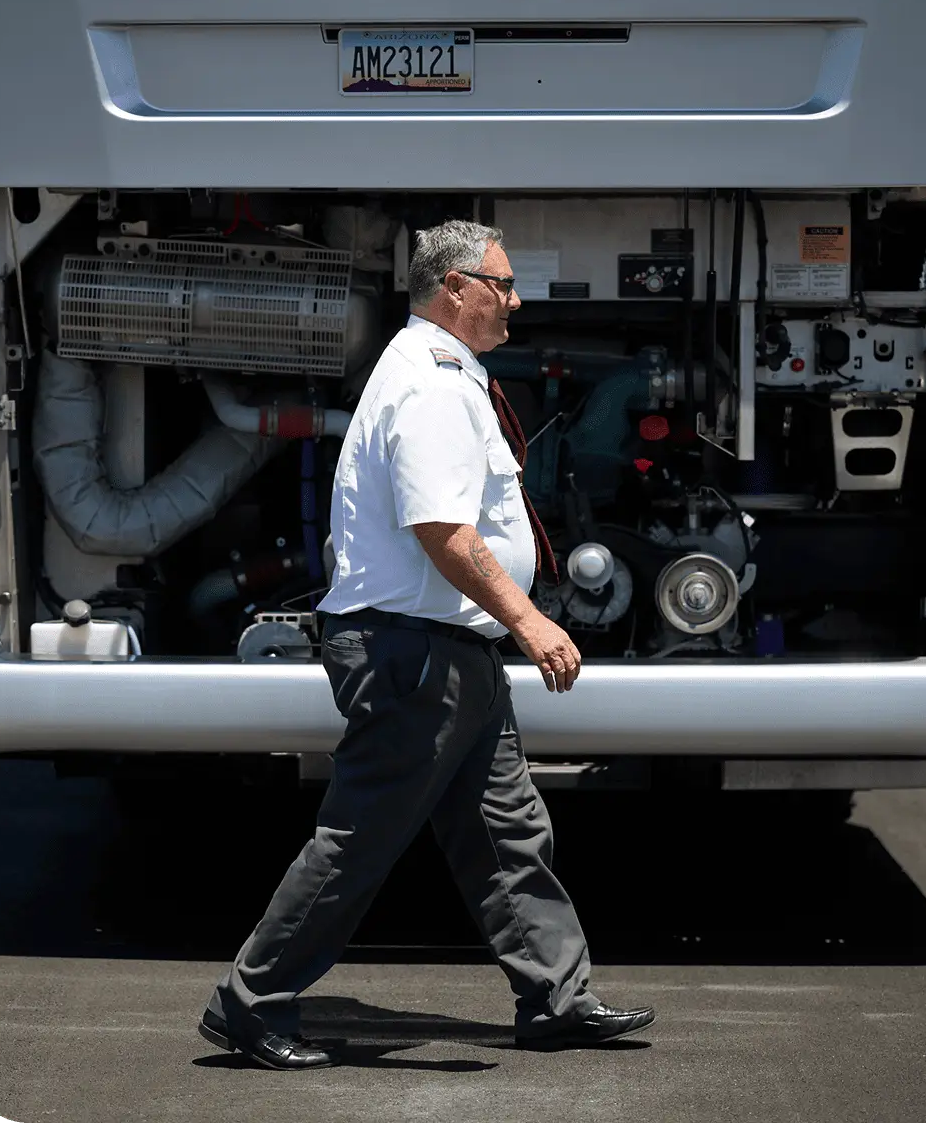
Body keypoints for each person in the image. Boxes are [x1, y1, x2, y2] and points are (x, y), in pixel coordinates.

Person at [197, 220, 656, 1070]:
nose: (516, 300)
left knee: (508, 830)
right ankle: (251, 1002)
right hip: (412, 654)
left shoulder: (445, 376)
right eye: (503, 284)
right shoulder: (432, 384)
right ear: (455, 288)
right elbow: (443, 530)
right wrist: (530, 619)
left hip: (451, 649)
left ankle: (555, 998)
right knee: (362, 836)